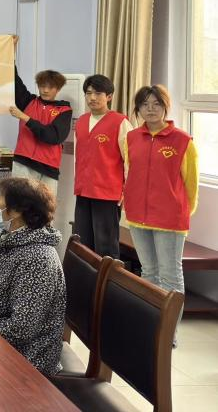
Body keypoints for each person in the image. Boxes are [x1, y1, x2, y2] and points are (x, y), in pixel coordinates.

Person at [0, 178, 66, 376]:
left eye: (0, 197)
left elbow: (22, 328)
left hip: (28, 357)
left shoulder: (38, 258)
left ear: (16, 211)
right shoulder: (10, 240)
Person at [123, 85, 198, 337]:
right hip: (138, 217)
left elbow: (191, 184)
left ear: (166, 107)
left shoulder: (183, 141)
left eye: (156, 104)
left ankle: (168, 334)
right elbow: (131, 173)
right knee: (149, 273)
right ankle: (151, 328)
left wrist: (181, 212)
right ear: (138, 109)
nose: (151, 109)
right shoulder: (132, 138)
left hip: (170, 219)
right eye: (145, 104)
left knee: (170, 276)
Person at [73, 74, 132, 258]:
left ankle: (108, 278)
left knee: (106, 247)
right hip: (83, 191)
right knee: (82, 245)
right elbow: (78, 157)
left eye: (98, 93)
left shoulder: (120, 122)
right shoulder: (81, 121)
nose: (92, 97)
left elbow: (130, 160)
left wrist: (126, 190)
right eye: (88, 93)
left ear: (109, 96)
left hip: (107, 194)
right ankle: (86, 278)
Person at [9, 67, 72, 192]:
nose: (45, 90)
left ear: (58, 89)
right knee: (19, 203)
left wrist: (26, 118)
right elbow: (14, 80)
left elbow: (53, 137)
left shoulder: (64, 110)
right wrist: (11, 58)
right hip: (23, 164)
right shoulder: (28, 102)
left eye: (50, 87)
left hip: (49, 169)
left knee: (45, 204)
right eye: (42, 86)